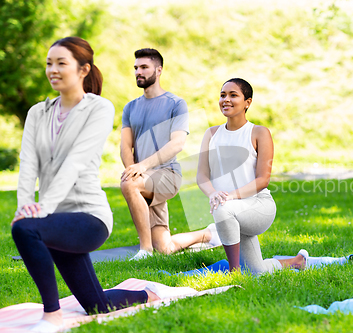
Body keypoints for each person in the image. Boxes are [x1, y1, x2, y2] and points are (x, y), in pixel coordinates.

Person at [11, 37, 165, 333]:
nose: (52, 69)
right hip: (56, 220)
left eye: (61, 63)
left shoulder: (99, 108)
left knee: (25, 229)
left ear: (83, 70)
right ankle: (147, 294)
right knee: (96, 306)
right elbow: (28, 162)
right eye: (48, 63)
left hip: (88, 219)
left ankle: (52, 316)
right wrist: (24, 205)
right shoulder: (37, 113)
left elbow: (76, 162)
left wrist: (42, 209)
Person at [196, 78, 308, 275]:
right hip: (231, 209)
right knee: (257, 271)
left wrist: (229, 196)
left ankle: (234, 274)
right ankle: (296, 262)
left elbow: (263, 179)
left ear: (247, 102)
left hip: (258, 206)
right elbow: (202, 176)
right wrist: (213, 193)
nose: (226, 100)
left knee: (222, 209)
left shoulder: (259, 133)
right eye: (222, 95)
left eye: (233, 95)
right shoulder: (211, 134)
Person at [121, 48, 220, 261]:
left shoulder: (175, 104)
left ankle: (144, 251)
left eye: (144, 67)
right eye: (136, 68)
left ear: (159, 70)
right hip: (144, 178)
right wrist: (133, 170)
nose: (138, 71)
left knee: (128, 185)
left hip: (167, 175)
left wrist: (141, 168)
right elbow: (125, 145)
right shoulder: (130, 107)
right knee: (164, 248)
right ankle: (209, 234)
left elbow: (177, 144)